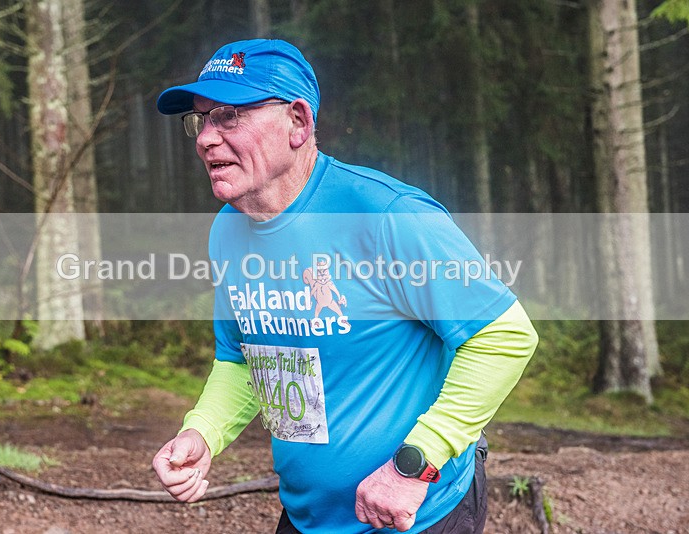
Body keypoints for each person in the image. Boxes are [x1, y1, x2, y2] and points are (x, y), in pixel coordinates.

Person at [152, 38, 538, 533]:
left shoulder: (384, 215)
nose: (206, 137)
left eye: (229, 116)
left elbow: (501, 337)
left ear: (298, 122)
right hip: (309, 517)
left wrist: (413, 467)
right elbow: (244, 359)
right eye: (201, 120)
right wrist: (202, 432)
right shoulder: (228, 229)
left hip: (417, 513)